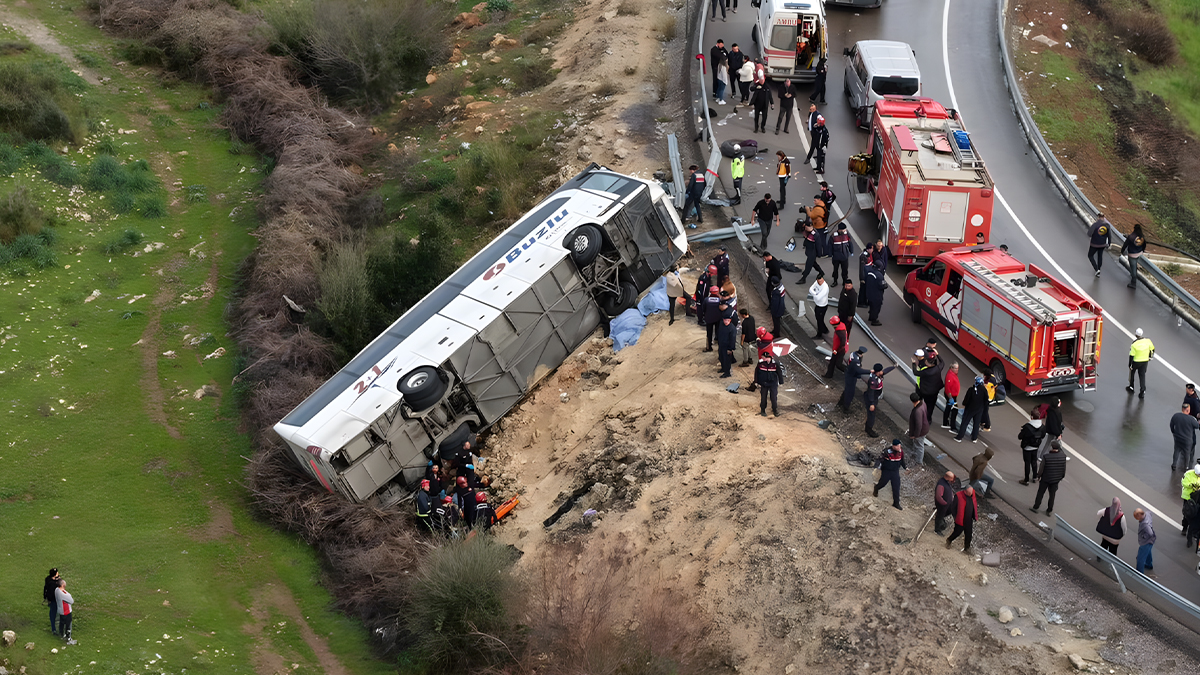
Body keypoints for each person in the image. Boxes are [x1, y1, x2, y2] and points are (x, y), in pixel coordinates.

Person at [1031, 440, 1066, 516]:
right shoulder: (1063, 456)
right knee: (1052, 495)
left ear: (1052, 447)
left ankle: (1036, 507)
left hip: (1046, 478)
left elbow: (1041, 469)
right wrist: (1060, 477)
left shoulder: (1046, 457)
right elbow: (1063, 469)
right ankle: (1049, 510)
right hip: (1055, 480)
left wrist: (1039, 476)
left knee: (1040, 493)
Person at [863, 363, 896, 437]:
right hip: (872, 398)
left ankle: (868, 427)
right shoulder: (874, 381)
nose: (882, 372)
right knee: (871, 414)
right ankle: (869, 429)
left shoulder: (877, 375)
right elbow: (871, 392)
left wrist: (893, 367)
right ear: (878, 371)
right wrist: (872, 403)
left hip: (875, 397)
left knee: (872, 414)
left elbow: (885, 371)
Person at [873, 440, 907, 509]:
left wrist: (905, 467)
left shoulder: (901, 452)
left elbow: (902, 460)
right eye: (897, 446)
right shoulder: (886, 452)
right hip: (887, 471)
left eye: (899, 446)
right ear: (893, 446)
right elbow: (879, 459)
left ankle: (896, 503)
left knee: (896, 487)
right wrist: (876, 467)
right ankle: (876, 488)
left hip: (895, 471)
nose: (899, 447)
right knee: (882, 483)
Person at [955, 376, 989, 443]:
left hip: (970, 409)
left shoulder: (971, 389)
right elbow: (986, 400)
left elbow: (966, 399)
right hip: (979, 409)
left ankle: (959, 437)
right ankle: (974, 438)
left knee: (965, 422)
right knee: (976, 424)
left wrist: (964, 404)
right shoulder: (984, 390)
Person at [914, 351, 944, 426]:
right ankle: (928, 419)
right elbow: (942, 362)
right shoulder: (938, 368)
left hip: (924, 391)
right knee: (930, 406)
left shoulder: (925, 371)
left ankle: (918, 417)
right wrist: (938, 354)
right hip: (934, 392)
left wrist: (913, 364)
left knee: (920, 404)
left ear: (928, 363)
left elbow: (916, 372)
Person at [945, 486, 978, 552]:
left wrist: (974, 515)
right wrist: (955, 517)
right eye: (969, 493)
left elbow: (974, 503)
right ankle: (949, 540)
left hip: (969, 519)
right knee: (957, 532)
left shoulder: (972, 494)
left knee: (969, 534)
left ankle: (967, 548)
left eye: (971, 493)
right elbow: (953, 508)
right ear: (965, 491)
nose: (970, 494)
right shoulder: (958, 496)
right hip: (961, 519)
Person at [1169, 403, 1200, 471]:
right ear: (1188, 410)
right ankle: (1185, 467)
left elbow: (1171, 425)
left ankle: (1174, 465)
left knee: (1176, 451)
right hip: (1187, 440)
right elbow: (1197, 426)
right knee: (1187, 454)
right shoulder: (1191, 419)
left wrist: (1174, 432)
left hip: (1177, 438)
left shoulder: (1176, 416)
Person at [1017, 414, 1046, 485]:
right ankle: (1034, 477)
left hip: (1027, 447)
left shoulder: (1027, 427)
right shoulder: (1042, 426)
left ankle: (1026, 479)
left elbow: (1020, 436)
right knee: (1034, 462)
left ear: (1031, 417)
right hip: (1036, 446)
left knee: (1027, 463)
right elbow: (1043, 435)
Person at [1127, 327, 1154, 398]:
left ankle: (1131, 386)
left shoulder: (1134, 344)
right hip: (1145, 361)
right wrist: (1150, 357)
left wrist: (1130, 364)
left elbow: (1131, 355)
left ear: (1136, 335)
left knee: (1132, 374)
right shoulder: (1148, 341)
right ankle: (1142, 390)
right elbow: (1152, 349)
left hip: (1136, 361)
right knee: (1142, 376)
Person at [1120, 223, 1147, 288]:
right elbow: (1144, 244)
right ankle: (1133, 277)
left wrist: (1122, 251)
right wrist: (1142, 251)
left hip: (1132, 255)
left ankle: (1133, 282)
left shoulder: (1131, 237)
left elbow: (1125, 245)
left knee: (1133, 268)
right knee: (1134, 267)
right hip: (1139, 254)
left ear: (1134, 229)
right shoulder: (1141, 237)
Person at [756, 351, 781, 417]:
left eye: (764, 358)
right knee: (763, 397)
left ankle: (775, 410)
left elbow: (779, 372)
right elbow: (756, 372)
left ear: (768, 358)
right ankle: (763, 410)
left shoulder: (775, 363)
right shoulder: (760, 362)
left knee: (773, 397)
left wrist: (781, 381)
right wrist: (756, 381)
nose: (763, 359)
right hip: (764, 383)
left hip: (773, 383)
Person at [908, 392, 929, 467]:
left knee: (919, 446)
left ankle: (919, 462)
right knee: (917, 444)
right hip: (925, 428)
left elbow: (919, 425)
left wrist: (916, 435)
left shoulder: (917, 411)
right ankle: (914, 454)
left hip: (920, 432)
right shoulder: (923, 403)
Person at [1133, 508, 1156, 577]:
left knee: (1140, 558)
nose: (1137, 519)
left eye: (1137, 517)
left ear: (1139, 515)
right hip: (1151, 540)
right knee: (1148, 552)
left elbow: (1150, 533)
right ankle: (1149, 565)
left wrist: (1143, 536)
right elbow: (1150, 512)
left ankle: (1139, 574)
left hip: (1146, 541)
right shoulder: (1147, 514)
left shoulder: (1145, 524)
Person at [934, 471, 957, 536]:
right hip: (942, 505)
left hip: (947, 505)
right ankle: (937, 530)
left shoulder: (946, 483)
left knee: (942, 515)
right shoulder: (941, 484)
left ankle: (941, 524)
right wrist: (944, 503)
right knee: (939, 516)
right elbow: (938, 496)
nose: (952, 481)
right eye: (951, 479)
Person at [717, 308, 738, 378]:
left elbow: (733, 339)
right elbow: (719, 333)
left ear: (730, 320)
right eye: (725, 320)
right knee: (721, 357)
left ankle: (727, 372)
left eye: (727, 320)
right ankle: (723, 368)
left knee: (727, 360)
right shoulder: (721, 324)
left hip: (727, 347)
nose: (726, 322)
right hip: (721, 345)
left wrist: (731, 349)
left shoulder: (732, 328)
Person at [1183, 464, 1200, 546]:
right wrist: (1192, 485)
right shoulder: (1189, 473)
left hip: (1196, 500)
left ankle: (1193, 534)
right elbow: (1184, 483)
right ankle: (1185, 528)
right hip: (1189, 498)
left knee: (1194, 521)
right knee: (1187, 515)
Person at [54, 579, 75, 644]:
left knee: (62, 623)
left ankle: (62, 634)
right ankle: (68, 637)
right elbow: (71, 601)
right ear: (63, 585)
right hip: (66, 611)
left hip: (60, 610)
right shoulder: (63, 594)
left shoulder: (56, 590)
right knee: (68, 624)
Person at [703, 286, 722, 351]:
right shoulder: (720, 300)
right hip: (718, 319)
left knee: (709, 333)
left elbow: (703, 309)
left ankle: (708, 347)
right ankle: (720, 347)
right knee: (719, 332)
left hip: (709, 319)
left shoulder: (706, 300)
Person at [943, 362, 961, 431]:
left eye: (958, 368)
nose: (957, 370)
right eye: (956, 368)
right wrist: (950, 398)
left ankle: (945, 423)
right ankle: (952, 427)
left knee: (948, 408)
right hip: (951, 396)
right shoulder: (950, 376)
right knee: (954, 411)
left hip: (953, 396)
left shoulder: (953, 374)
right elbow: (948, 388)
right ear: (952, 368)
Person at [44, 568, 61, 635]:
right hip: (54, 600)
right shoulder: (53, 584)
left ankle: (55, 628)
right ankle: (54, 629)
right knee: (54, 614)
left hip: (51, 600)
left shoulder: (48, 579)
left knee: (53, 613)